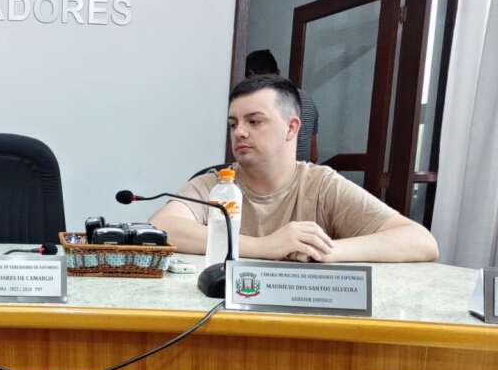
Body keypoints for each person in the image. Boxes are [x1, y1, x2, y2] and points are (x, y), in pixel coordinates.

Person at [149, 75, 438, 263]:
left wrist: (327, 250)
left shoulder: (321, 185)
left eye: (254, 121)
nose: (239, 132)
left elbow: (421, 241)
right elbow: (161, 228)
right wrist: (266, 247)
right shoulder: (217, 185)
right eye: (233, 124)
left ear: (291, 128)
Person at [245, 49, 319, 163]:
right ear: (278, 72)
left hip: (271, 171)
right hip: (304, 170)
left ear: (251, 75)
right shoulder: (307, 99)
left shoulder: (261, 100)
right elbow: (314, 155)